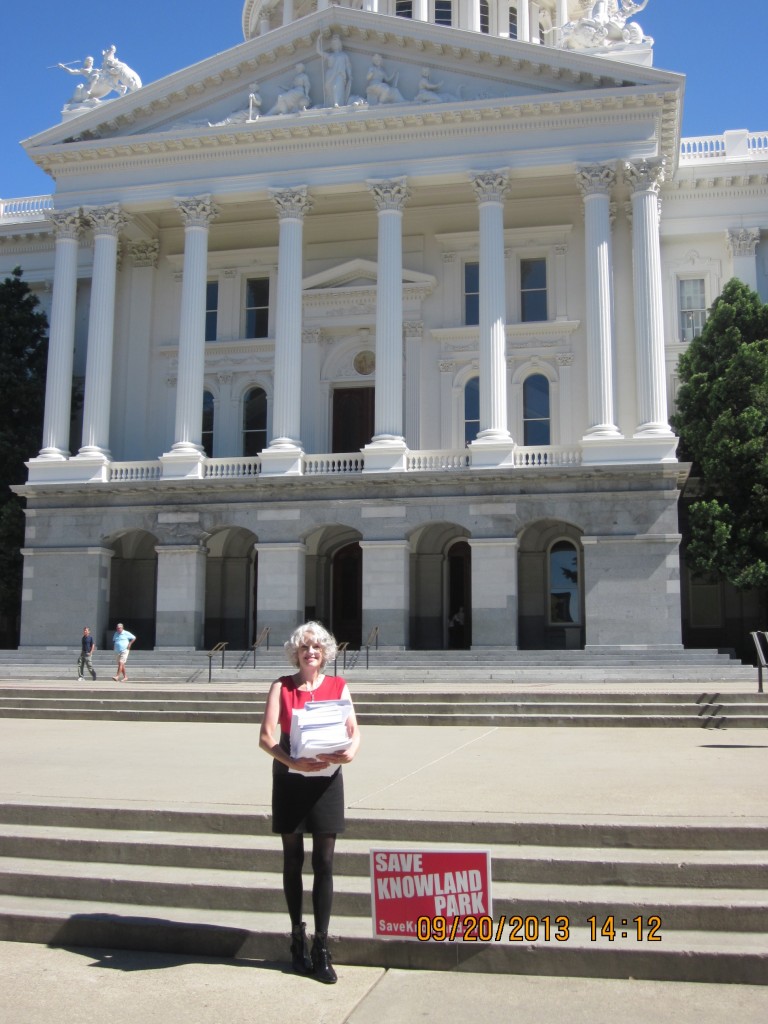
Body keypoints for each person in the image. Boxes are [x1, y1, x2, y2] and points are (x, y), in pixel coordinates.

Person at [259, 621, 360, 984]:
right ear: (296, 653)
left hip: (326, 782)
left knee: (325, 862)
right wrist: (292, 762)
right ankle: (296, 938)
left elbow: (354, 731)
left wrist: (350, 752)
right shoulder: (281, 686)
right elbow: (266, 737)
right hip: (290, 780)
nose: (311, 652)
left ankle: (321, 945)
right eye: (304, 647)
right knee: (292, 860)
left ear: (325, 653)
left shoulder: (338, 686)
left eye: (316, 647)